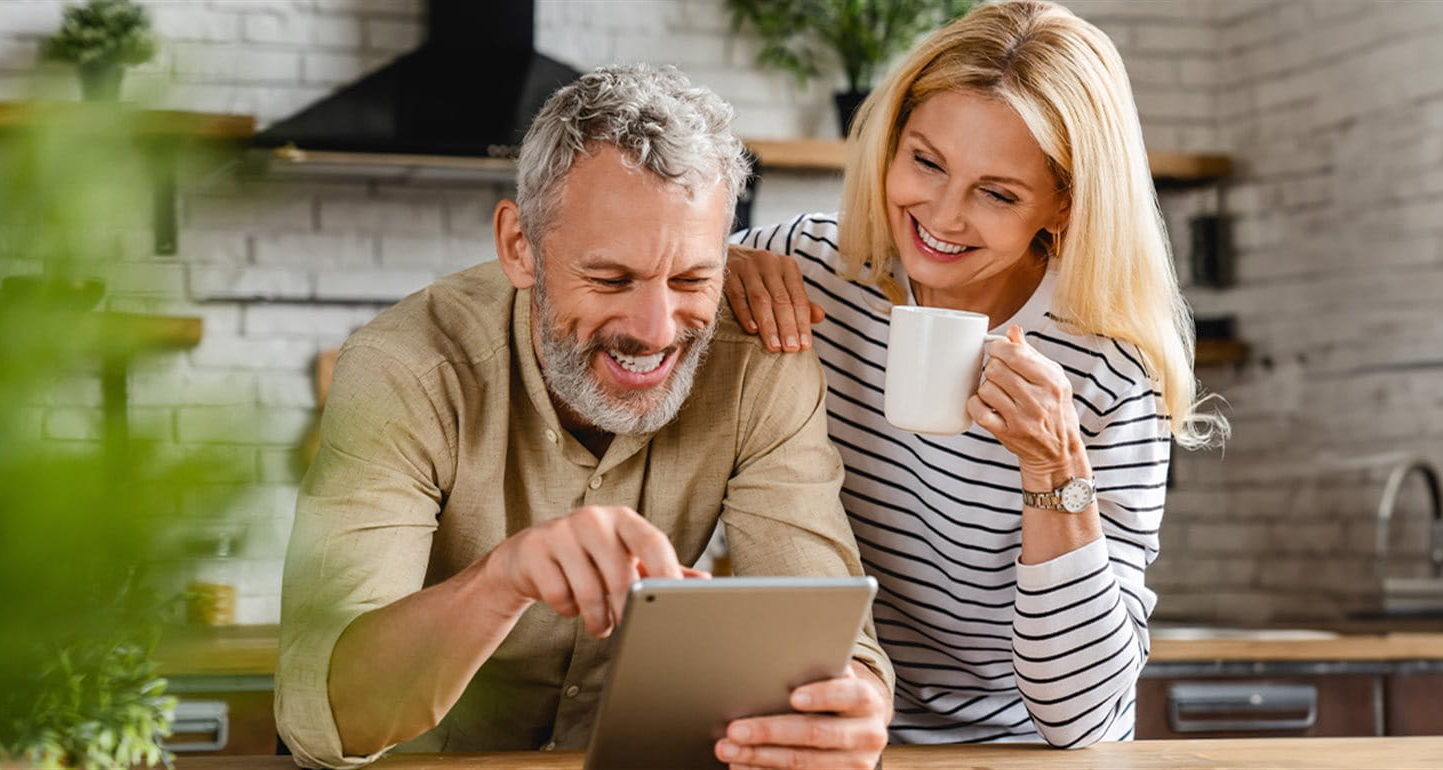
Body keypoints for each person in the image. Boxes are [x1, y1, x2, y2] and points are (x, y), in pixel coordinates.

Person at [275, 64, 894, 770]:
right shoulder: (404, 371)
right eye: (610, 279)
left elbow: (827, 634)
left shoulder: (762, 363)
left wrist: (851, 705)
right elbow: (323, 716)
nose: (657, 329)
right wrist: (502, 578)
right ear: (520, 247)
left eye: (693, 278)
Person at [724, 0, 1227, 748]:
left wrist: (1054, 465)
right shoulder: (809, 270)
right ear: (891, 142)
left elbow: (1081, 717)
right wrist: (709, 268)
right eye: (926, 162)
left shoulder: (1111, 370)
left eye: (997, 193)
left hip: (1018, 751)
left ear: (1064, 204)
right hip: (830, 732)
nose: (942, 215)